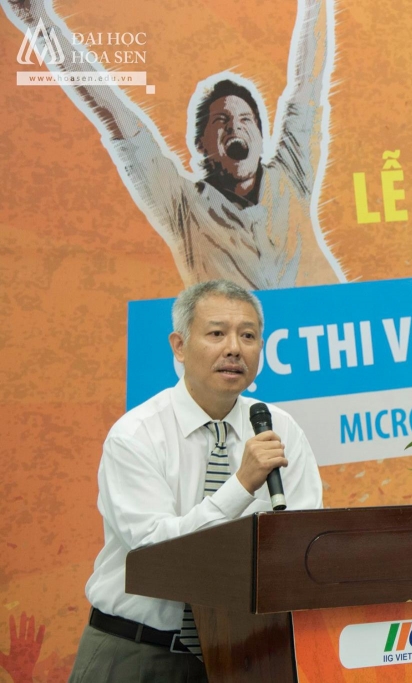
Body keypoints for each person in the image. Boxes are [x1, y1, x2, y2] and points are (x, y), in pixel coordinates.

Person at [68, 280, 324, 682]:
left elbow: (306, 541)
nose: (234, 349)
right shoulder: (136, 435)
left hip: (246, 654)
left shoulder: (280, 428)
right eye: (217, 333)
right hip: (138, 652)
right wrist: (240, 486)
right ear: (180, 346)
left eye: (248, 336)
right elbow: (155, 553)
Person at [4, 0, 345, 289]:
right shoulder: (183, 207)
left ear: (259, 133)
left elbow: (308, 81)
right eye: (221, 121)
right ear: (201, 144)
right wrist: (37, 20)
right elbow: (115, 114)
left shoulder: (292, 176)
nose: (234, 127)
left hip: (328, 336)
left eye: (245, 119)